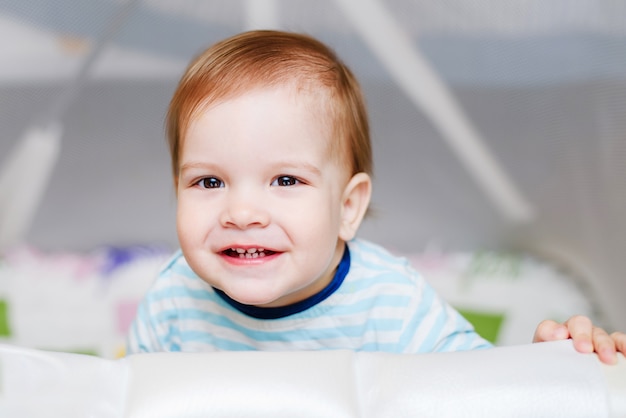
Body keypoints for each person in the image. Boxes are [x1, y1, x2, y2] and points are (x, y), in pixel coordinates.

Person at [127, 30, 625, 364]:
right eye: (208, 183)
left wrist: (544, 364)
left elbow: (476, 387)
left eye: (285, 181)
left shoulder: (390, 302)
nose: (240, 213)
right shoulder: (175, 299)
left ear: (348, 207)